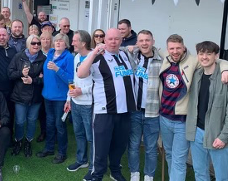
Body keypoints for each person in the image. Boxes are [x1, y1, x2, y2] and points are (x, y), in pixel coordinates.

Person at [159, 34, 228, 181]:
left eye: (178, 48)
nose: (175, 51)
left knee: (179, 160)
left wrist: (227, 69)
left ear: (184, 47)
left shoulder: (194, 61)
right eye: (171, 48)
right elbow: (149, 47)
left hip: (182, 120)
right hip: (164, 117)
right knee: (169, 155)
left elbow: (216, 60)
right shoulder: (165, 57)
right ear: (167, 49)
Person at [77, 28, 136, 181]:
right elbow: (81, 73)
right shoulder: (98, 56)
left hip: (124, 110)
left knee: (119, 145)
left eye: (117, 38)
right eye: (110, 39)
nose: (113, 41)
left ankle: (115, 171)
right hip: (104, 111)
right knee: (101, 147)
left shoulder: (124, 55)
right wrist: (94, 52)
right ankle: (97, 174)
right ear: (104, 40)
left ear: (121, 40)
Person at [186, 41, 228, 182]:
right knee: (199, 173)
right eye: (201, 53)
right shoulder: (197, 75)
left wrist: (224, 137)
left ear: (216, 56)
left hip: (218, 134)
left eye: (209, 54)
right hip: (197, 133)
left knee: (222, 177)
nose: (204, 57)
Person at [125, 30, 163, 182]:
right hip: (134, 111)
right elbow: (116, 49)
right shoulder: (132, 56)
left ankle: (149, 175)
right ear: (137, 42)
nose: (144, 43)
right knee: (133, 144)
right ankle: (134, 172)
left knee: (150, 147)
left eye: (147, 40)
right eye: (141, 40)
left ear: (153, 41)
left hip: (153, 112)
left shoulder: (162, 60)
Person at [37, 33, 74, 164]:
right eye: (56, 41)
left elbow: (71, 79)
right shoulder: (51, 53)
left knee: (60, 125)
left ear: (66, 44)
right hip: (47, 95)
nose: (58, 43)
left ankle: (62, 152)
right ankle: (49, 148)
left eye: (61, 41)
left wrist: (57, 69)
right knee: (50, 123)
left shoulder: (69, 57)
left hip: (60, 98)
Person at [8, 35, 45, 157]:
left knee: (32, 121)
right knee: (19, 121)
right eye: (33, 43)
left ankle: (28, 141)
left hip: (35, 96)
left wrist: (33, 80)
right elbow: (10, 73)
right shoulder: (19, 56)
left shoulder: (43, 59)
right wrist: (20, 73)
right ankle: (18, 141)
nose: (36, 46)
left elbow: (46, 80)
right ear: (28, 44)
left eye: (38, 43)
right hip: (20, 95)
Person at [64, 30, 94, 181]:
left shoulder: (94, 57)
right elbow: (74, 80)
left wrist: (82, 91)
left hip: (89, 105)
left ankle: (93, 167)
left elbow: (99, 84)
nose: (72, 43)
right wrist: (68, 99)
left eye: (75, 40)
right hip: (75, 103)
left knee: (91, 137)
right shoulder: (76, 57)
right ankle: (82, 160)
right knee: (79, 134)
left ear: (83, 43)